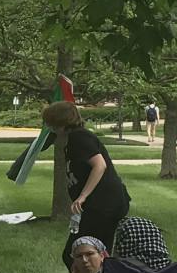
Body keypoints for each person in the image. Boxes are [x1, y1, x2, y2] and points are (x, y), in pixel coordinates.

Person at [43, 100, 130, 256]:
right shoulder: (73, 139)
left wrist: (82, 196)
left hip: (104, 203)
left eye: (50, 122)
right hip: (99, 204)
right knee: (95, 252)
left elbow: (99, 165)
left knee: (77, 253)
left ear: (59, 121)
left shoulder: (79, 137)